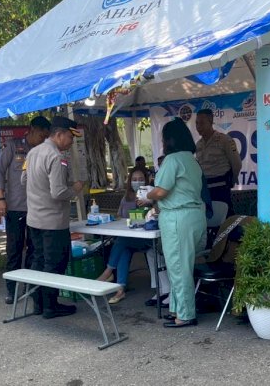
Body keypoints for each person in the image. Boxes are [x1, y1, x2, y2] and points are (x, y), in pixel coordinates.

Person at [148, 117, 207, 328]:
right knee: (180, 266)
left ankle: (185, 314)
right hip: (194, 216)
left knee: (178, 268)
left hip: (177, 218)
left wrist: (147, 195)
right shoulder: (192, 160)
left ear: (169, 139)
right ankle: (176, 308)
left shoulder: (172, 160)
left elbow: (162, 191)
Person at [24, 116, 85, 319]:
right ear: (58, 135)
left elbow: (24, 179)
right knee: (54, 263)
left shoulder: (33, 152)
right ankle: (51, 306)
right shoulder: (57, 157)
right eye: (69, 137)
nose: (71, 142)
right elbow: (58, 193)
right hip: (53, 222)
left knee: (38, 261)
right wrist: (75, 189)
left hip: (34, 219)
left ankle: (38, 303)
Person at [0, 116, 50, 304]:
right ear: (33, 129)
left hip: (37, 208)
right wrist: (0, 198)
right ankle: (12, 289)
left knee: (35, 249)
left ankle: (30, 286)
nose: (43, 138)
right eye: (42, 134)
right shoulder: (13, 146)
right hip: (16, 207)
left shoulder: (44, 151)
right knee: (14, 249)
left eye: (46, 136)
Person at [96, 168, 153, 304]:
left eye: (140, 179)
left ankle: (108, 272)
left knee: (121, 242)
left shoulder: (151, 195)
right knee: (123, 249)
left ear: (146, 180)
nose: (137, 182)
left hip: (147, 239)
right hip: (130, 238)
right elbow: (120, 217)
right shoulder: (126, 198)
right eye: (134, 180)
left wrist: (149, 203)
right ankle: (120, 289)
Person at [194, 108, 242, 214]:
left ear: (210, 122)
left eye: (201, 123)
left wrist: (231, 182)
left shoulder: (224, 140)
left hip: (221, 188)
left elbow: (237, 164)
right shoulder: (198, 144)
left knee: (224, 222)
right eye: (196, 123)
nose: (198, 127)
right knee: (208, 222)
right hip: (205, 190)